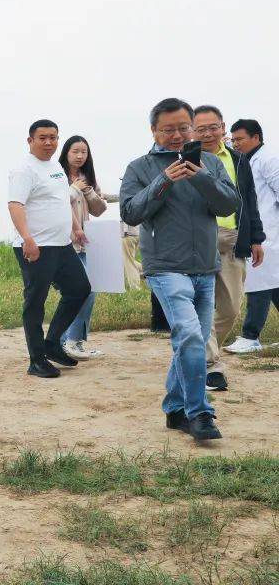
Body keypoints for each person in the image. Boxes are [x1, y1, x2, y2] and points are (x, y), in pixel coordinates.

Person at [119, 98, 239, 441]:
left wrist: (201, 177)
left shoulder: (210, 163)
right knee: (189, 335)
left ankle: (174, 409)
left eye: (183, 128)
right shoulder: (139, 167)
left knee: (193, 340)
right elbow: (130, 212)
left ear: (192, 128)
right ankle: (199, 412)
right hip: (165, 267)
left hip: (205, 266)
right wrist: (164, 180)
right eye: (167, 129)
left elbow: (230, 204)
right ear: (153, 131)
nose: (176, 135)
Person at [7, 120, 90, 378]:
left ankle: (52, 343)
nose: (48, 142)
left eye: (53, 137)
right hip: (36, 246)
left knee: (80, 289)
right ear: (30, 140)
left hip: (62, 244)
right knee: (36, 301)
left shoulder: (55, 167)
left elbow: (62, 201)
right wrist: (27, 238)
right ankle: (37, 360)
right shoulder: (24, 170)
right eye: (42, 137)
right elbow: (15, 205)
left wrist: (75, 227)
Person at [191, 106, 265, 392]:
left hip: (233, 238)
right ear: (193, 131)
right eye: (201, 129)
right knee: (201, 305)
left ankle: (196, 350)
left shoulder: (237, 158)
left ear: (223, 128)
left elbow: (249, 199)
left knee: (231, 308)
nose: (208, 133)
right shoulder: (186, 158)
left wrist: (256, 238)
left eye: (213, 127)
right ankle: (210, 364)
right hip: (198, 239)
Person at [227, 119, 278, 353]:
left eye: (240, 139)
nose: (235, 144)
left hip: (270, 232)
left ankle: (250, 336)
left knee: (258, 283)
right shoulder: (244, 160)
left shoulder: (269, 159)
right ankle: (250, 336)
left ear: (256, 137)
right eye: (233, 140)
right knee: (272, 284)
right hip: (258, 231)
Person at [58, 135, 109, 360]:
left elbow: (99, 210)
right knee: (82, 290)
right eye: (75, 151)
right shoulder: (57, 176)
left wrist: (87, 190)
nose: (80, 156)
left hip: (84, 244)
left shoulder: (87, 179)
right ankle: (69, 341)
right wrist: (76, 227)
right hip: (64, 242)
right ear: (66, 153)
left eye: (84, 152)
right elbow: (58, 206)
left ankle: (70, 341)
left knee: (88, 290)